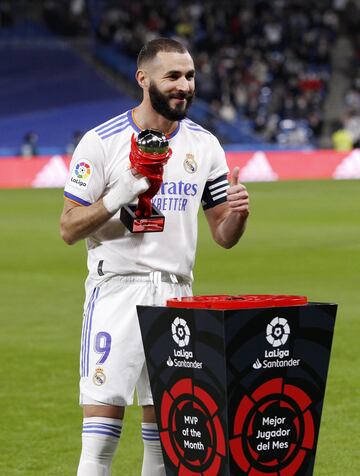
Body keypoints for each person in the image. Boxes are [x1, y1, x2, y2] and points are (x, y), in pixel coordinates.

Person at [60, 37, 250, 476]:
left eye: (190, 76)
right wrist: (116, 200)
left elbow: (223, 234)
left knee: (166, 443)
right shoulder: (102, 142)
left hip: (178, 299)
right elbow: (68, 228)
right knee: (99, 444)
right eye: (174, 77)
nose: (185, 85)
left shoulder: (205, 146)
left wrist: (238, 214)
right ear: (143, 78)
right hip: (117, 294)